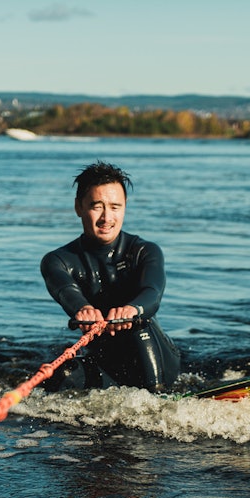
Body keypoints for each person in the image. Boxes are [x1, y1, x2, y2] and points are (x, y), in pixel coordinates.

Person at [40, 162, 180, 392]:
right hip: (106, 366)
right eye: (97, 207)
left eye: (115, 207)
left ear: (125, 207)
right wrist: (83, 309)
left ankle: (159, 395)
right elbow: (65, 291)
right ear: (78, 207)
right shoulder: (57, 261)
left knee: (139, 324)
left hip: (156, 358)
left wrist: (133, 310)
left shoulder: (145, 252)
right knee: (61, 375)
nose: (107, 217)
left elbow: (152, 293)